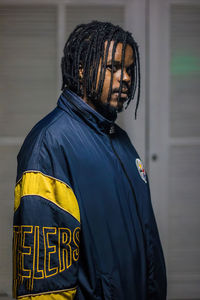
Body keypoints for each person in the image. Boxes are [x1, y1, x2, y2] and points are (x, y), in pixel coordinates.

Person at [13, 21, 167, 300]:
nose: (126, 78)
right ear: (82, 69)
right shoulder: (49, 144)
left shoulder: (121, 141)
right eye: (113, 67)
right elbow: (45, 279)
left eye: (130, 69)